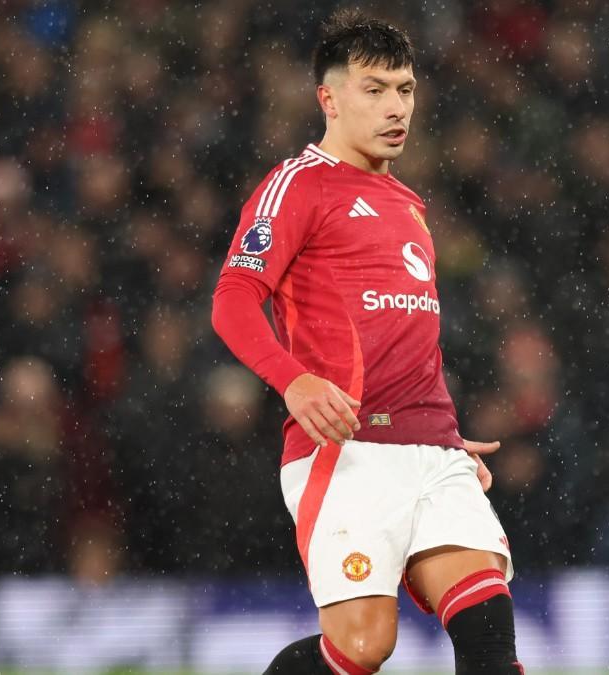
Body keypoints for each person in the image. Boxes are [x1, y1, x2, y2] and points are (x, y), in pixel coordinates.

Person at [211, 11, 521, 674]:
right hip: (345, 448)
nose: (395, 107)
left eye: (405, 89)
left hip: (431, 447)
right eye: (375, 89)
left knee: (487, 619)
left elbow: (405, 327)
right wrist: (291, 380)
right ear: (330, 98)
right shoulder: (297, 184)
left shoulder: (407, 203)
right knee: (362, 646)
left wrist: (434, 424)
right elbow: (233, 299)